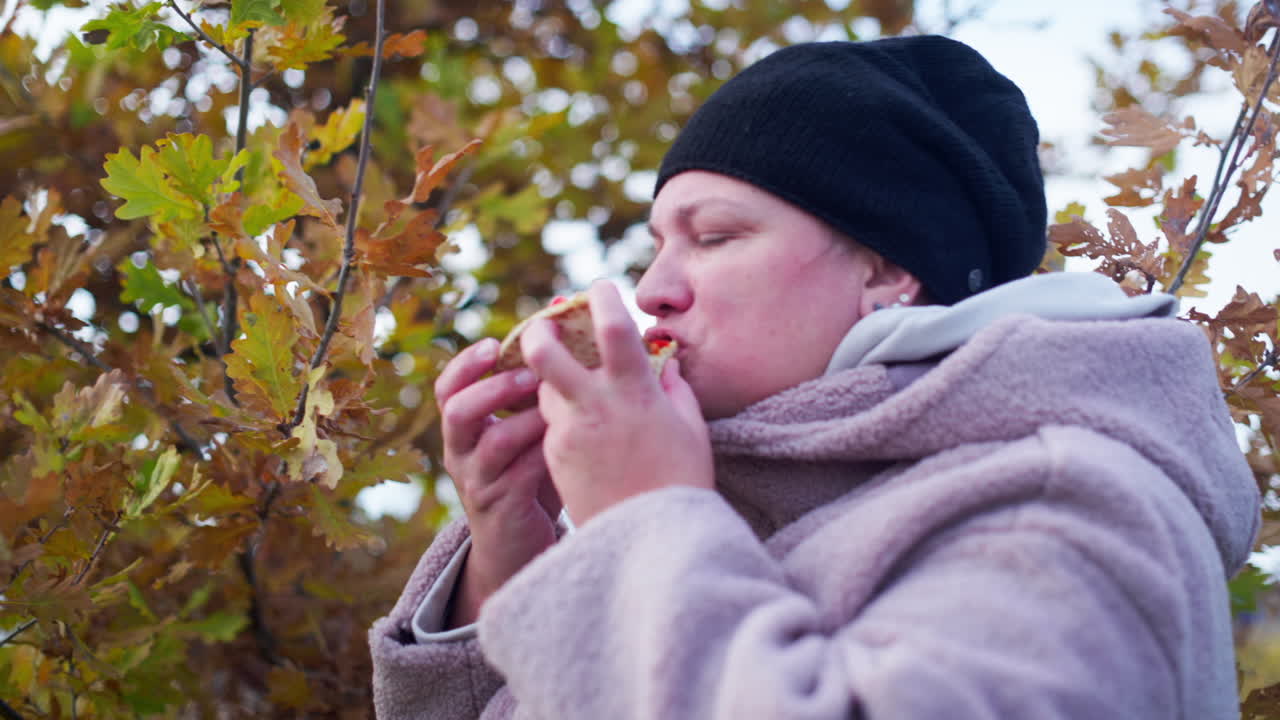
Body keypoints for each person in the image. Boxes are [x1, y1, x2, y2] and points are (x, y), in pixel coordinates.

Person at [369, 35, 1260, 719]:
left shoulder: (1074, 501)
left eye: (714, 237)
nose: (653, 289)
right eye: (657, 246)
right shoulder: (739, 503)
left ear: (884, 270)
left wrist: (637, 523)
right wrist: (507, 562)